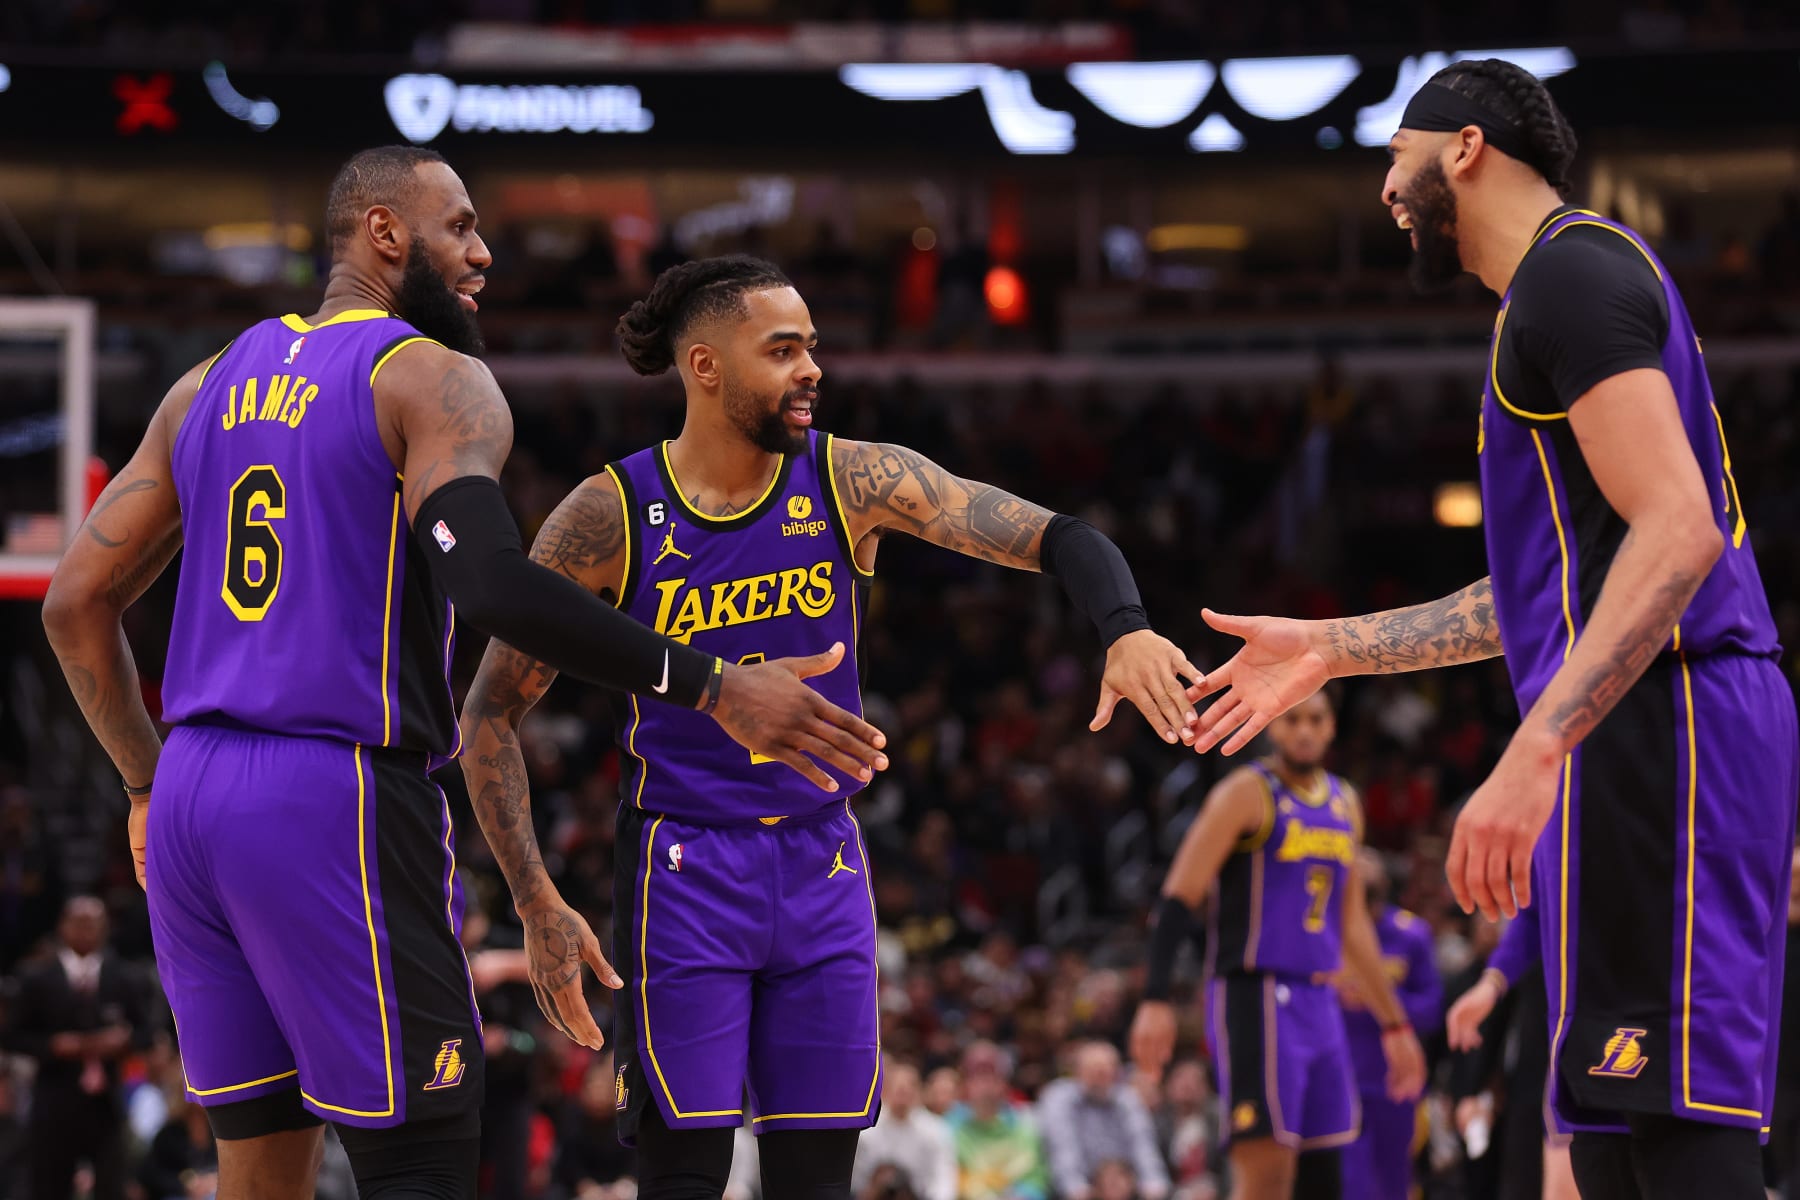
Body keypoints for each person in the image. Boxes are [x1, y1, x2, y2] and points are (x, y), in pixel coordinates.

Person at [39, 147, 886, 1200]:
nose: (483, 254)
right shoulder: (431, 378)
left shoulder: (203, 387)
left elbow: (73, 605)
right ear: (386, 233)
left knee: (256, 1168)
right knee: (427, 1156)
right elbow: (488, 583)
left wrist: (142, 781)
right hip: (331, 791)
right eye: (461, 228)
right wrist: (715, 685)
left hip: (193, 801)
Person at [460, 253, 1203, 1200]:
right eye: (784, 350)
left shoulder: (853, 478)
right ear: (706, 366)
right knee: (685, 1174)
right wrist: (533, 899)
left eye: (813, 347)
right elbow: (489, 711)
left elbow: (1063, 535)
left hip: (825, 863)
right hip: (683, 869)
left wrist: (1126, 628)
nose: (813, 368)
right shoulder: (611, 513)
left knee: (817, 1179)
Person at [1188, 58, 1798, 1200]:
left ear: (1464, 147)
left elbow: (1679, 535)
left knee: (1676, 1108)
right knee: (1612, 1114)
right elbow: (1554, 588)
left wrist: (1535, 750)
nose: (1385, 188)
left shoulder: (1572, 278)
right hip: (1632, 719)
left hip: (1679, 717)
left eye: (1394, 156)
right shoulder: (1552, 294)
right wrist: (1336, 645)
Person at [1129, 691, 1427, 1200]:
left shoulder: (1344, 801)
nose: (1304, 731)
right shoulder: (1248, 792)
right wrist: (1155, 998)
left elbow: (1351, 924)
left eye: (1315, 720)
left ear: (1332, 728)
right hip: (1257, 996)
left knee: (1324, 1178)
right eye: (1292, 721)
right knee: (1265, 1177)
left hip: (1320, 1001)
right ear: (1272, 726)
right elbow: (1179, 897)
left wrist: (1394, 1023)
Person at [3, 896, 150, 1200]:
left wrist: (124, 1041)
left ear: (105, 928)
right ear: (62, 927)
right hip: (53, 1100)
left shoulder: (125, 977)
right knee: (50, 1187)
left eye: (93, 923)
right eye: (78, 922)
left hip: (106, 1103)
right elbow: (12, 1036)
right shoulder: (35, 977)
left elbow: (147, 1033)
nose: (85, 931)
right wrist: (52, 1046)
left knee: (112, 1187)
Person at [1336, 851, 1441, 1200]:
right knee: (1348, 1184)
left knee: (1394, 1183)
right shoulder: (1324, 933)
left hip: (1394, 1083)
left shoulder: (1410, 935)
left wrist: (1381, 1001)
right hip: (1339, 1080)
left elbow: (1431, 1009)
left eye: (1371, 889)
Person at [1035, 1042, 1170, 1200]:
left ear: (1116, 1074)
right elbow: (1063, 1149)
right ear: (1077, 1072)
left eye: (1105, 1072)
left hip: (1123, 1184)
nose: (1100, 1078)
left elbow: (1143, 1146)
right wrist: (1077, 1189)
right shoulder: (1059, 1098)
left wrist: (1153, 1183)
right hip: (1079, 1187)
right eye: (1093, 1071)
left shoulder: (1128, 1099)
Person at [853, 1061, 957, 1200]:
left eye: (909, 1087)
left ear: (919, 1091)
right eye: (898, 1087)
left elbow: (943, 1179)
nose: (903, 1093)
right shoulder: (866, 1131)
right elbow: (856, 1182)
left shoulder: (936, 1130)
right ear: (885, 1090)